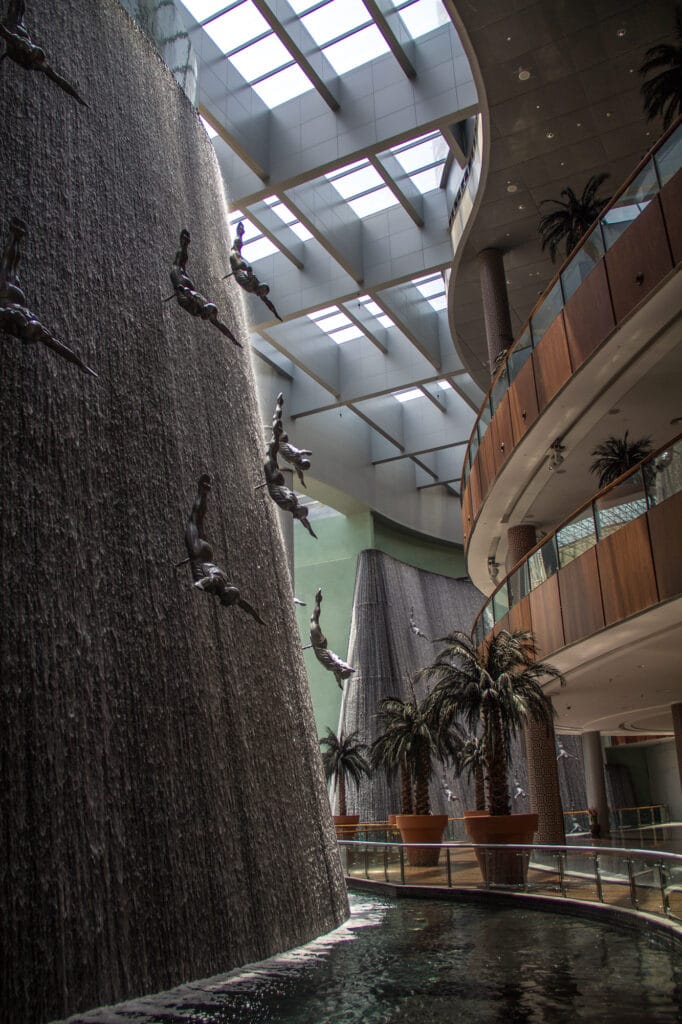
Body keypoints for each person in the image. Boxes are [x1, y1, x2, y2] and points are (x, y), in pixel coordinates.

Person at [0, 216, 97, 377]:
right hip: (7, 294)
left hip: (15, 298)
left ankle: (16, 236)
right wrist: (81, 365)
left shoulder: (34, 329)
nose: (31, 342)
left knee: (11, 267)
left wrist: (81, 364)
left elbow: (59, 347)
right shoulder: (16, 319)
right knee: (9, 266)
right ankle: (15, 236)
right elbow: (58, 347)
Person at [184, 474, 264, 624]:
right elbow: (210, 580)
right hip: (198, 553)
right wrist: (198, 585)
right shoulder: (219, 585)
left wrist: (255, 615)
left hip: (207, 554)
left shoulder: (225, 582)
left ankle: (203, 493)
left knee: (197, 520)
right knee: (194, 520)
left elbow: (242, 603)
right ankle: (202, 492)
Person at [0, 0, 87, 106]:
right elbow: (58, 79)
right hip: (17, 31)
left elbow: (59, 80)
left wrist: (76, 97)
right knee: (20, 8)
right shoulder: (25, 47)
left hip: (13, 29)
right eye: (32, 47)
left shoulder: (27, 52)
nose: (31, 45)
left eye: (32, 48)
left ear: (32, 59)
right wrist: (77, 97)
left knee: (15, 11)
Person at [170, 229, 241, 348]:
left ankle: (184, 245)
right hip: (182, 285)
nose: (208, 318)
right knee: (178, 266)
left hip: (184, 287)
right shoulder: (200, 305)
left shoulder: (206, 312)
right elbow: (192, 295)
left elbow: (221, 326)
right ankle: (184, 244)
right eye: (208, 314)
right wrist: (183, 290)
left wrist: (233, 339)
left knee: (180, 266)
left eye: (209, 316)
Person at [263, 397, 317, 537]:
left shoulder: (289, 502)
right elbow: (304, 520)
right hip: (274, 478)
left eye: (301, 509)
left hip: (273, 478)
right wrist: (309, 529)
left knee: (274, 438)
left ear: (297, 512)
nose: (301, 506)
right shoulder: (292, 505)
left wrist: (306, 453)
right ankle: (278, 406)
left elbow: (286, 493)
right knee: (275, 435)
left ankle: (278, 405)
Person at [224, 221, 283, 321]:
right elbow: (249, 269)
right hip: (237, 266)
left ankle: (240, 233)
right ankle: (239, 233)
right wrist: (245, 269)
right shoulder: (254, 282)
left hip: (238, 269)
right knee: (236, 249)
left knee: (237, 248)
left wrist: (276, 314)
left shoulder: (257, 291)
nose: (262, 294)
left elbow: (268, 303)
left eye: (263, 293)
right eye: (262, 291)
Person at [309, 588, 355, 689]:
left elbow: (337, 675)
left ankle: (318, 601)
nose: (340, 675)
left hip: (319, 644)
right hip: (319, 643)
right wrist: (348, 668)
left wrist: (339, 684)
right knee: (314, 620)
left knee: (314, 619)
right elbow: (336, 659)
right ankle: (318, 600)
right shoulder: (335, 664)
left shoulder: (334, 669)